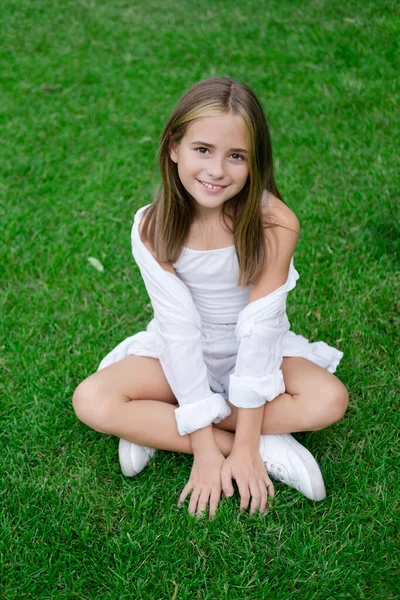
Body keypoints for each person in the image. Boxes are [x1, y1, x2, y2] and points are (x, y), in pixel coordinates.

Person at [73, 77, 348, 519]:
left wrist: (243, 447)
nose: (217, 171)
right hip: (179, 354)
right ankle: (257, 440)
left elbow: (260, 331)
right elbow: (179, 333)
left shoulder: (275, 222)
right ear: (173, 148)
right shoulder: (152, 227)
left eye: (236, 156)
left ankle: (161, 425)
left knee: (328, 400)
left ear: (255, 162)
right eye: (203, 149)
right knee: (91, 399)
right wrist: (207, 450)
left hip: (256, 353)